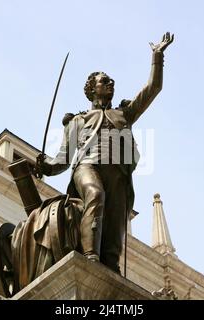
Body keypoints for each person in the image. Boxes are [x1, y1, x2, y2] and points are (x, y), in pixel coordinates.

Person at [36, 32, 174, 274]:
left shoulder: (124, 114)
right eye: (104, 81)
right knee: (95, 194)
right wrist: (46, 166)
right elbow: (63, 159)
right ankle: (89, 257)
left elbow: (153, 88)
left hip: (118, 172)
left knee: (115, 221)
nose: (111, 83)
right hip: (87, 165)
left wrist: (157, 57)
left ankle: (110, 270)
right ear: (92, 89)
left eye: (111, 80)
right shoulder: (78, 120)